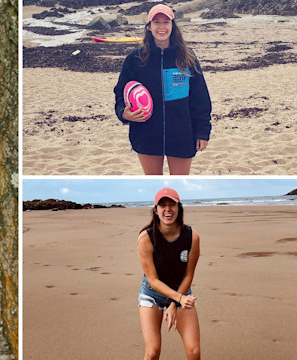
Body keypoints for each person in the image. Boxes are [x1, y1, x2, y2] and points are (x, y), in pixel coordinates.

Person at [114, 4, 212, 175]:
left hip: (182, 134)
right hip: (146, 134)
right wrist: (123, 113)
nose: (161, 27)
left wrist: (203, 131)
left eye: (166, 22)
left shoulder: (187, 57)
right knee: (154, 183)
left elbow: (200, 97)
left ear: (173, 26)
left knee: (179, 184)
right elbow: (120, 92)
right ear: (148, 26)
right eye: (156, 22)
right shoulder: (134, 59)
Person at [137, 187, 200, 360]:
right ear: (155, 210)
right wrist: (178, 299)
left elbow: (188, 275)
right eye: (162, 205)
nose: (167, 209)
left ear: (179, 207)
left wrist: (175, 302)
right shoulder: (146, 238)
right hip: (152, 292)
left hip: (181, 289)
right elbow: (152, 279)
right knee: (152, 351)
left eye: (172, 204)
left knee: (194, 352)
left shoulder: (192, 236)